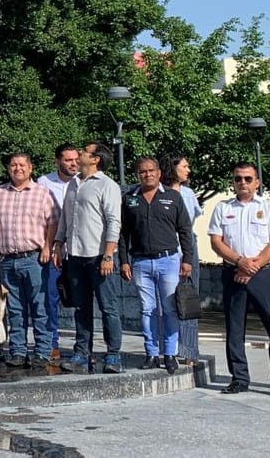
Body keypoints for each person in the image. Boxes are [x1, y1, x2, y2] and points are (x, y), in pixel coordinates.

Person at [208, 161, 270, 397]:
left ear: (257, 182)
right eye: (237, 179)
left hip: (262, 274)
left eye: (247, 178)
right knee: (235, 330)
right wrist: (239, 262)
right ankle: (239, 378)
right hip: (233, 273)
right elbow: (216, 241)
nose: (242, 183)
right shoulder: (223, 208)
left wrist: (252, 266)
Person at [118, 157, 194, 373]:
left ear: (159, 173)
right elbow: (123, 234)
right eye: (143, 171)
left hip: (168, 260)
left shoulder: (172, 197)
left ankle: (170, 353)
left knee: (170, 308)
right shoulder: (130, 199)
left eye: (151, 170)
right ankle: (151, 353)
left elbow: (185, 231)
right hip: (141, 262)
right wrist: (123, 261)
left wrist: (187, 259)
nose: (147, 174)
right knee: (147, 309)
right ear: (137, 175)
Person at [0, 153, 57, 368]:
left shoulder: (42, 193)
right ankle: (17, 351)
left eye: (22, 165)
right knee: (14, 308)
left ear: (30, 168)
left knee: (39, 307)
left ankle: (42, 351)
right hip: (7, 259)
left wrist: (47, 246)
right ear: (8, 169)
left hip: (34, 258)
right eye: (13, 165)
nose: (17, 169)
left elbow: (53, 222)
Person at [54, 144, 122, 375]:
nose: (79, 154)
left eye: (84, 151)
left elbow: (114, 221)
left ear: (95, 159)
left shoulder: (107, 185)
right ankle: (82, 354)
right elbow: (65, 217)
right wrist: (58, 243)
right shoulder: (73, 184)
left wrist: (108, 254)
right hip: (75, 255)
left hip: (98, 256)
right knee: (81, 308)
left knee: (108, 308)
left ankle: (113, 354)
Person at [36, 144, 79, 359]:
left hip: (80, 250)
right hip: (53, 250)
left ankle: (83, 346)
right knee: (49, 298)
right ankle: (51, 342)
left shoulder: (85, 181)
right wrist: (51, 246)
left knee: (81, 300)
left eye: (75, 159)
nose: (73, 164)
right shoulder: (44, 183)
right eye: (68, 160)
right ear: (57, 161)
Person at [162, 154, 202, 362]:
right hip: (165, 251)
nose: (188, 170)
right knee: (166, 302)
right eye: (184, 166)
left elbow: (190, 223)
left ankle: (189, 350)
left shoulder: (188, 194)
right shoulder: (159, 192)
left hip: (186, 250)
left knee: (188, 299)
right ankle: (167, 348)